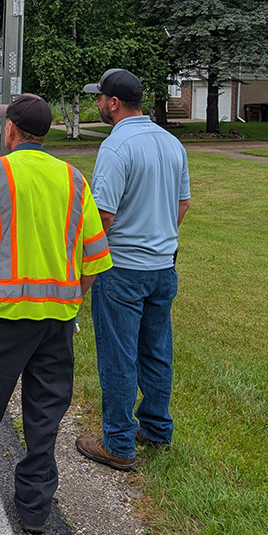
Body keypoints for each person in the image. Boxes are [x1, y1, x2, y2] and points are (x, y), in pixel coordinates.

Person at [0, 94, 113, 534]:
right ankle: (34, 508)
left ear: (10, 129)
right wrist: (70, 298)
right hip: (57, 320)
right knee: (45, 412)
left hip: (5, 315)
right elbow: (95, 257)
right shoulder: (73, 178)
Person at [76, 69, 190, 471]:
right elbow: (183, 203)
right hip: (163, 266)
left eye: (99, 98)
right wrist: (160, 237)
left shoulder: (116, 146)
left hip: (123, 267)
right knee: (156, 350)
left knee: (118, 356)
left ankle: (118, 443)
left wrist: (85, 261)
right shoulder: (172, 142)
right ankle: (156, 428)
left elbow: (103, 215)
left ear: (114, 103)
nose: (96, 104)